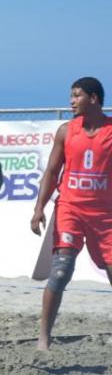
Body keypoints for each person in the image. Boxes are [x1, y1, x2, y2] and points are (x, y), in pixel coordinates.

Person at [30, 77, 112, 350]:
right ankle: (44, 338)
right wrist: (38, 208)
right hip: (70, 208)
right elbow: (52, 172)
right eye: (71, 95)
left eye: (76, 96)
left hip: (105, 215)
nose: (71, 101)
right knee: (61, 271)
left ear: (94, 98)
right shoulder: (66, 131)